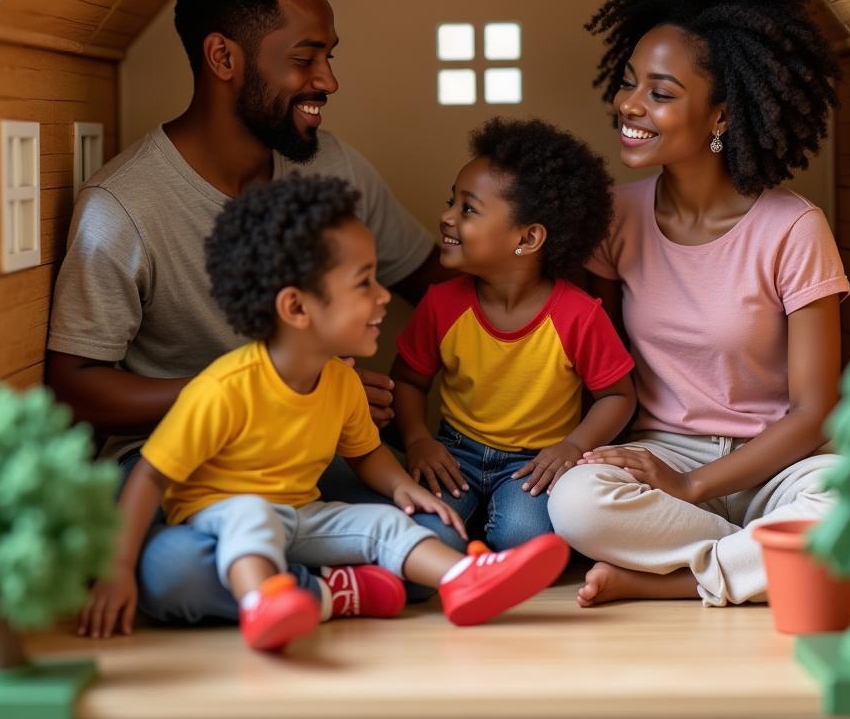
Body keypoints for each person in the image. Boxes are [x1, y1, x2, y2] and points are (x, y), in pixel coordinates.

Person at [47, 0, 449, 625]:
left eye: (329, 56)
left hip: (304, 460)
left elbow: (435, 284)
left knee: (440, 533)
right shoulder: (124, 206)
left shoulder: (334, 168)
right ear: (224, 58)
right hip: (175, 470)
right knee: (172, 577)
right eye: (304, 59)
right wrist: (250, 395)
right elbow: (75, 384)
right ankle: (326, 589)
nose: (328, 80)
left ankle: (284, 590)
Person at [77, 174, 569, 649]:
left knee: (392, 527)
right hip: (221, 520)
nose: (383, 297)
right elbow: (147, 478)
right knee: (219, 536)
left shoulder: (339, 380)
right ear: (296, 308)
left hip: (301, 516)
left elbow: (366, 454)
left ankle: (463, 579)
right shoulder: (222, 388)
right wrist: (116, 571)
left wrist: (405, 489)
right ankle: (279, 598)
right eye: (365, 283)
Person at [546, 0, 850, 609]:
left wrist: (695, 490)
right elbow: (600, 369)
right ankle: (758, 561)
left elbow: (815, 410)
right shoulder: (616, 217)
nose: (629, 104)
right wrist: (662, 475)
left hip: (781, 462)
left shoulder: (793, 227)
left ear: (722, 116)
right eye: (630, 82)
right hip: (664, 453)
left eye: (660, 93)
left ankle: (682, 580)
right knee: (575, 504)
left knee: (849, 505)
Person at [391, 118, 636, 553]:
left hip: (533, 466)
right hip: (454, 455)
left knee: (523, 539)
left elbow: (618, 397)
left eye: (467, 209)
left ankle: (488, 542)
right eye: (453, 202)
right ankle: (471, 542)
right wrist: (418, 441)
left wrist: (574, 446)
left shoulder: (579, 315)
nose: (446, 217)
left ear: (528, 237)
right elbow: (408, 381)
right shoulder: (441, 304)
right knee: (423, 540)